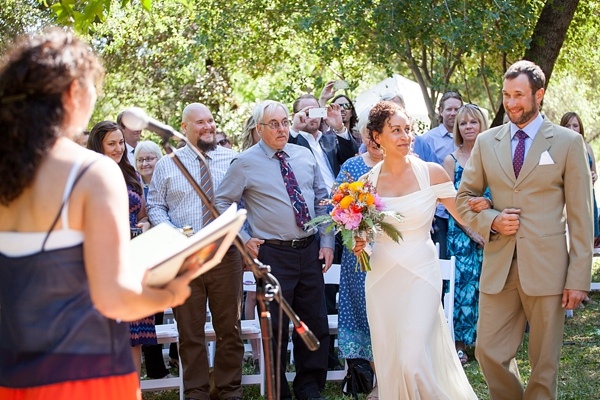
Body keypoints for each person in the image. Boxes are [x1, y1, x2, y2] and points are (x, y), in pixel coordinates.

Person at [0, 28, 194, 400]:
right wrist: (170, 289)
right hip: (86, 374)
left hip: (12, 374)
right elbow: (113, 297)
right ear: (74, 92)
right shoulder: (91, 171)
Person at [456, 60, 593, 400]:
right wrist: (492, 221)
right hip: (499, 264)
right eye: (506, 95)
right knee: (487, 352)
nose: (511, 102)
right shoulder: (487, 142)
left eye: (519, 95)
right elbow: (464, 199)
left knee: (543, 364)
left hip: (548, 268)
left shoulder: (566, 142)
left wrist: (578, 277)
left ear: (539, 95)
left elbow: (581, 216)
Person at [352, 101, 478, 399]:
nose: (405, 136)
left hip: (421, 273)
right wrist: (359, 245)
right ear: (376, 137)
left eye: (408, 129)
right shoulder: (364, 185)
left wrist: (495, 222)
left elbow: (466, 217)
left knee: (411, 361)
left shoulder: (432, 173)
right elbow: (364, 241)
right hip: (382, 279)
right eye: (395, 130)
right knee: (392, 360)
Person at [215, 100, 333, 400]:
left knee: (315, 322)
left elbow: (322, 198)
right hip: (273, 255)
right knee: (277, 328)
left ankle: (309, 386)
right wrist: (243, 237)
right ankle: (278, 390)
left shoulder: (303, 155)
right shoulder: (244, 163)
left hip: (310, 250)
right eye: (274, 124)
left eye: (284, 122)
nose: (282, 129)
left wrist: (328, 241)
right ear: (260, 129)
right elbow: (221, 203)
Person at [147, 103, 244, 400]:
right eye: (200, 122)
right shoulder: (167, 164)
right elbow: (155, 205)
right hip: (185, 259)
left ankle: (229, 391)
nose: (208, 127)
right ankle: (197, 393)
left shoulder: (233, 160)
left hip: (226, 255)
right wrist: (175, 236)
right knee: (190, 334)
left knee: (230, 328)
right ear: (184, 126)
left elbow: (248, 202)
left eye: (211, 121)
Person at [87, 121, 154, 375]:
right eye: (111, 144)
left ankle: (132, 391)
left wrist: (145, 224)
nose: (118, 148)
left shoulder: (131, 174)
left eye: (121, 143)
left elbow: (144, 213)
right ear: (98, 146)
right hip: (102, 261)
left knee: (133, 334)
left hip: (133, 261)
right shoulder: (88, 176)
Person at [335, 111, 382, 400]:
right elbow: (337, 206)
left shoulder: (398, 167)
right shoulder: (352, 166)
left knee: (389, 313)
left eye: (378, 134)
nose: (373, 139)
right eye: (369, 133)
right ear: (363, 135)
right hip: (359, 254)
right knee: (366, 315)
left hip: (393, 251)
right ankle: (378, 381)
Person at [442, 104, 489, 364]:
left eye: (473, 122)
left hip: (492, 230)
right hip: (461, 235)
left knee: (488, 288)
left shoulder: (492, 155)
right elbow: (451, 203)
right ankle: (458, 344)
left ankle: (486, 345)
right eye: (463, 123)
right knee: (461, 290)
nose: (468, 127)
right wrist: (471, 231)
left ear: (482, 125)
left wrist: (486, 228)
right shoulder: (451, 160)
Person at [422, 90, 464, 259]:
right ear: (441, 111)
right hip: (440, 213)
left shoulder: (470, 136)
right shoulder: (428, 140)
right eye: (449, 109)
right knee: (441, 259)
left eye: (457, 109)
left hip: (464, 210)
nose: (453, 113)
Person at [560, 112, 599, 241]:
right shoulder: (559, 148)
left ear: (580, 128)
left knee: (589, 238)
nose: (571, 129)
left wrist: (593, 176)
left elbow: (594, 172)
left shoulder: (587, 147)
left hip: (587, 196)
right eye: (567, 125)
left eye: (575, 125)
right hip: (567, 199)